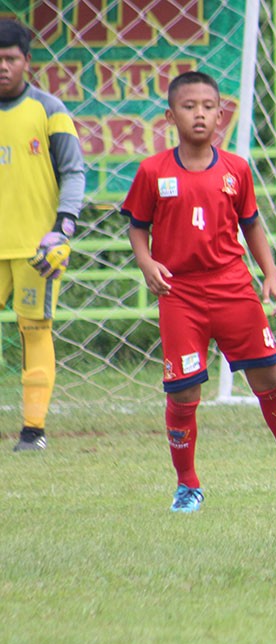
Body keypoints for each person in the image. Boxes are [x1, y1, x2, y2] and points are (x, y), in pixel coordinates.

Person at [120, 71, 276, 512]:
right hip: (180, 296)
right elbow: (136, 227)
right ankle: (188, 485)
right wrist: (146, 262)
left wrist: (271, 275)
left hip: (233, 290)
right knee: (183, 393)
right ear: (170, 115)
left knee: (270, 379)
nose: (199, 114)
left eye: (207, 106)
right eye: (189, 106)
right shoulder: (152, 171)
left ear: (220, 114)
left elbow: (252, 224)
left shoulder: (236, 169)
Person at [0, 19, 85, 452]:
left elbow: (74, 172)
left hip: (35, 248)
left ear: (27, 62)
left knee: (35, 331)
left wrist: (62, 230)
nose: (3, 66)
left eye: (11, 58)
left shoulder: (49, 109)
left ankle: (33, 430)